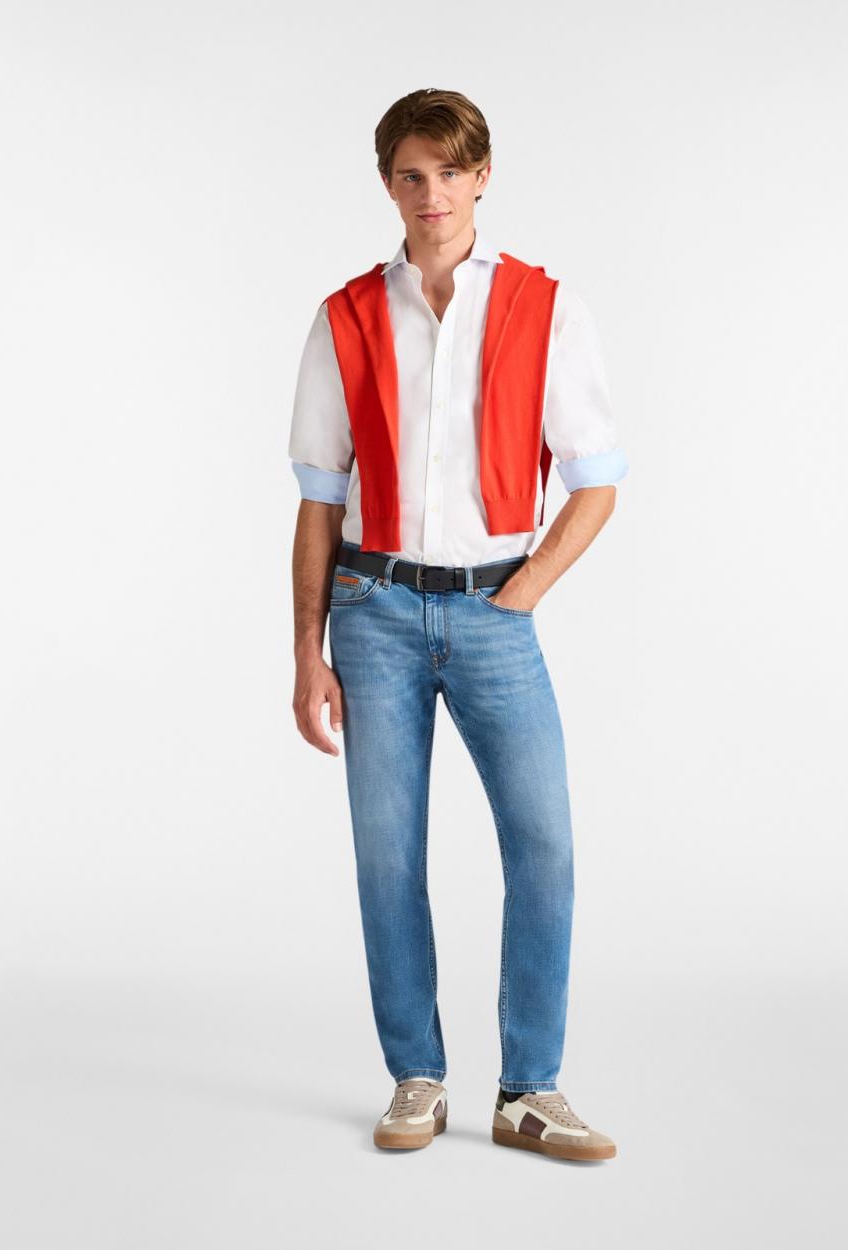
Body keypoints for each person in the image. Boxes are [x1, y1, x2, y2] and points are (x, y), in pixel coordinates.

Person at [288, 88, 628, 1162]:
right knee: (387, 856)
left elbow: (597, 481)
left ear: (482, 177)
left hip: (493, 610)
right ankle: (417, 1076)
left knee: (545, 846)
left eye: (449, 172)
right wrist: (306, 651)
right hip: (372, 611)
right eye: (410, 174)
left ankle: (529, 1088)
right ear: (388, 184)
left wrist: (523, 591)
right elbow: (319, 500)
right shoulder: (345, 315)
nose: (430, 193)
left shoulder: (545, 306)